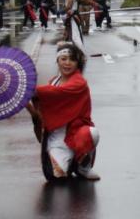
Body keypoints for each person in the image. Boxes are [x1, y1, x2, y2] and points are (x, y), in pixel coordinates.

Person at [27, 41, 99, 180]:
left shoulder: (79, 82)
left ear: (78, 63)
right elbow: (42, 108)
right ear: (57, 61)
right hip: (57, 137)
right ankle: (69, 162)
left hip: (75, 132)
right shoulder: (54, 81)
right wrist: (28, 105)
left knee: (91, 133)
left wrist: (32, 91)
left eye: (72, 59)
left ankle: (83, 168)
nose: (67, 63)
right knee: (57, 176)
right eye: (63, 59)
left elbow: (56, 93)